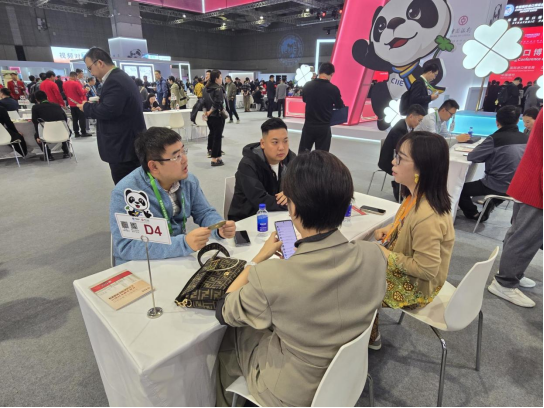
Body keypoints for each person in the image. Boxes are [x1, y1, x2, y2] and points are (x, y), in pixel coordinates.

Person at [216, 150, 386, 407]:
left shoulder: (272, 276)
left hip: (292, 393)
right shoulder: (374, 255)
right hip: (349, 376)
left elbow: (224, 309)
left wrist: (257, 260)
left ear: (292, 207)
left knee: (231, 336)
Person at [370, 131, 455, 350]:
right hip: (410, 275)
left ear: (422, 168)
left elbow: (426, 269)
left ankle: (367, 337)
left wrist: (386, 254)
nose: (393, 162)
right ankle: (367, 332)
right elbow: (408, 225)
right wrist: (391, 229)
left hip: (417, 288)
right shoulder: (415, 197)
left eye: (400, 158)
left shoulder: (428, 215)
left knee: (355, 283)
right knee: (358, 269)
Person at [110, 127, 236, 265]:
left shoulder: (188, 181)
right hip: (141, 265)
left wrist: (218, 227)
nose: (185, 160)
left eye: (183, 151)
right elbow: (127, 247)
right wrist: (183, 244)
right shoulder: (127, 193)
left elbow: (204, 212)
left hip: (176, 257)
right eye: (176, 156)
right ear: (154, 167)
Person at [488, 111, 543, 308]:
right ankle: (505, 282)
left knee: (520, 234)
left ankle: (512, 274)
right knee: (525, 237)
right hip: (536, 187)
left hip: (529, 180)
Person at [77, 47, 146, 185]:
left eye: (90, 68)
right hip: (126, 143)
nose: (91, 73)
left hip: (123, 146)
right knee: (133, 185)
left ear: (100, 63)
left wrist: (86, 107)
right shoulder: (119, 77)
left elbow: (108, 110)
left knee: (127, 187)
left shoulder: (114, 81)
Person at [459, 106, 529, 222]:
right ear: (518, 121)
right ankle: (494, 201)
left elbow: (473, 157)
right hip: (518, 186)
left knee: (459, 189)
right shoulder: (527, 139)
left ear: (497, 121)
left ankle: (474, 214)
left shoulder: (494, 139)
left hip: (496, 184)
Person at [229, 118, 297, 221]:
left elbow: (304, 186)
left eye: (285, 141)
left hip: (279, 216)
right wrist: (292, 201)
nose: (281, 147)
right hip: (248, 218)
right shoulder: (248, 165)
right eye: (275, 142)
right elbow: (260, 201)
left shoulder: (291, 159)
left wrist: (290, 193)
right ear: (263, 143)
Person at [378, 104, 427, 202]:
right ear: (411, 116)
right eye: (419, 120)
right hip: (389, 161)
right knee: (414, 167)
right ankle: (401, 191)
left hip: (397, 157)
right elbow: (402, 149)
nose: (419, 123)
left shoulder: (408, 126)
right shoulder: (399, 129)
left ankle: (408, 191)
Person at [299, 62, 345, 154]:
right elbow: (340, 106)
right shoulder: (333, 89)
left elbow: (305, 99)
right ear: (331, 74)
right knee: (322, 156)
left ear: (319, 72)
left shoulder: (307, 85)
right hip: (324, 127)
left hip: (308, 125)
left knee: (303, 154)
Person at [31, 91, 70, 161]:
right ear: (47, 97)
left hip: (47, 133)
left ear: (36, 100)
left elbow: (35, 122)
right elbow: (65, 118)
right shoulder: (57, 105)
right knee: (66, 130)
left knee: (36, 135)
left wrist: (38, 136)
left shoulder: (35, 108)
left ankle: (48, 155)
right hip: (62, 132)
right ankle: (66, 151)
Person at [203, 70, 226, 167]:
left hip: (209, 116)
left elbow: (203, 101)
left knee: (213, 135)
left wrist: (206, 112)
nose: (221, 79)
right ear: (216, 78)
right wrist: (210, 111)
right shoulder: (218, 89)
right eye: (220, 77)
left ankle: (218, 157)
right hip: (217, 115)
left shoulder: (205, 88)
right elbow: (218, 103)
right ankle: (214, 159)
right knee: (217, 137)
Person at [64, 72, 92, 137]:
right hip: (79, 103)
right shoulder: (76, 83)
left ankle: (76, 132)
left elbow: (65, 93)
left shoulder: (65, 83)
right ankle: (83, 132)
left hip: (71, 103)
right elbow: (81, 93)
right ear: (75, 76)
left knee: (74, 119)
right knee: (82, 118)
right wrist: (86, 90)